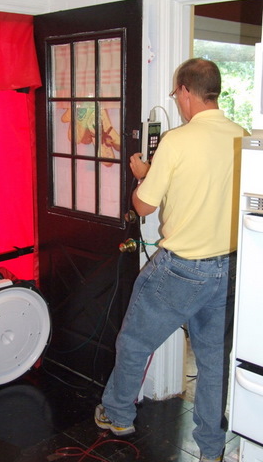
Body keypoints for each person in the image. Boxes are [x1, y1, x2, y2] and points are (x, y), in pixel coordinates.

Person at [94, 58, 248, 462]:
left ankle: (118, 414)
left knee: (133, 341)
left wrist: (144, 173)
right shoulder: (243, 136)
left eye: (177, 94)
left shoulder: (178, 141)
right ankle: (212, 449)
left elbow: (143, 207)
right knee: (213, 362)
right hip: (230, 268)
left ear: (185, 91)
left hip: (181, 268)